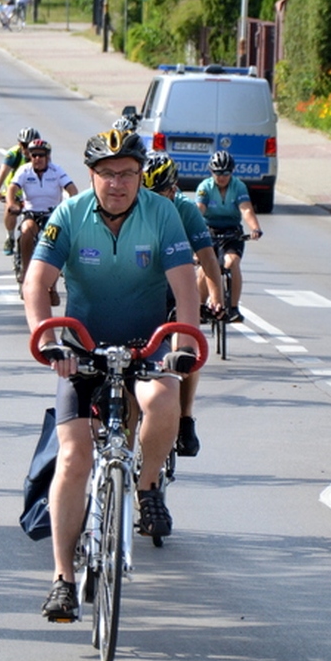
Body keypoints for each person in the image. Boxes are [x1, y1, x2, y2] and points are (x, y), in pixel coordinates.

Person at [22, 128, 200, 621]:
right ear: (91, 176)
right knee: (75, 457)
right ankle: (61, 578)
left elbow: (186, 290)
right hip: (81, 346)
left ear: (141, 175)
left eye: (128, 173)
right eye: (107, 173)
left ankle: (144, 489)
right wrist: (48, 337)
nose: (118, 183)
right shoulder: (67, 216)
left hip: (147, 341)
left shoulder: (162, 214)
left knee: (164, 401)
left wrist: (183, 346)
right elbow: (36, 283)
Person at [142, 152, 223, 458]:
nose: (151, 200)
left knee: (186, 346)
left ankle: (186, 417)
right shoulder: (132, 207)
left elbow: (207, 257)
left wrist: (216, 296)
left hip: (175, 289)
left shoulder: (185, 210)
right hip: (141, 290)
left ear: (173, 190)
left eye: (159, 194)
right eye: (145, 193)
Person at [4, 138, 77, 305]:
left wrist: (71, 206)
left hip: (53, 214)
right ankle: (25, 271)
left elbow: (72, 189)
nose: (37, 159)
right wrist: (11, 204)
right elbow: (12, 189)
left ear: (47, 156)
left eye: (41, 155)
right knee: (27, 230)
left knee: (55, 243)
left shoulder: (56, 171)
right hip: (31, 213)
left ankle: (52, 286)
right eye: (34, 155)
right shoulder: (24, 170)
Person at [194, 150, 262, 324]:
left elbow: (246, 209)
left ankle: (233, 308)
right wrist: (192, 228)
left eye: (226, 173)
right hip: (209, 231)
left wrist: (255, 228)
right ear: (211, 172)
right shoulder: (205, 187)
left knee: (232, 263)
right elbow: (199, 210)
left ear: (232, 172)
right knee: (204, 268)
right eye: (217, 173)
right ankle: (200, 307)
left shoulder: (238, 186)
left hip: (232, 232)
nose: (222, 177)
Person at [0, 127, 40, 255]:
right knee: (10, 210)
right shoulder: (13, 154)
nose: (26, 150)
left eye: (29, 146)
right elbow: (3, 173)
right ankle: (10, 237)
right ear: (19, 144)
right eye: (23, 145)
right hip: (15, 192)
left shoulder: (40, 156)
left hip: (32, 193)